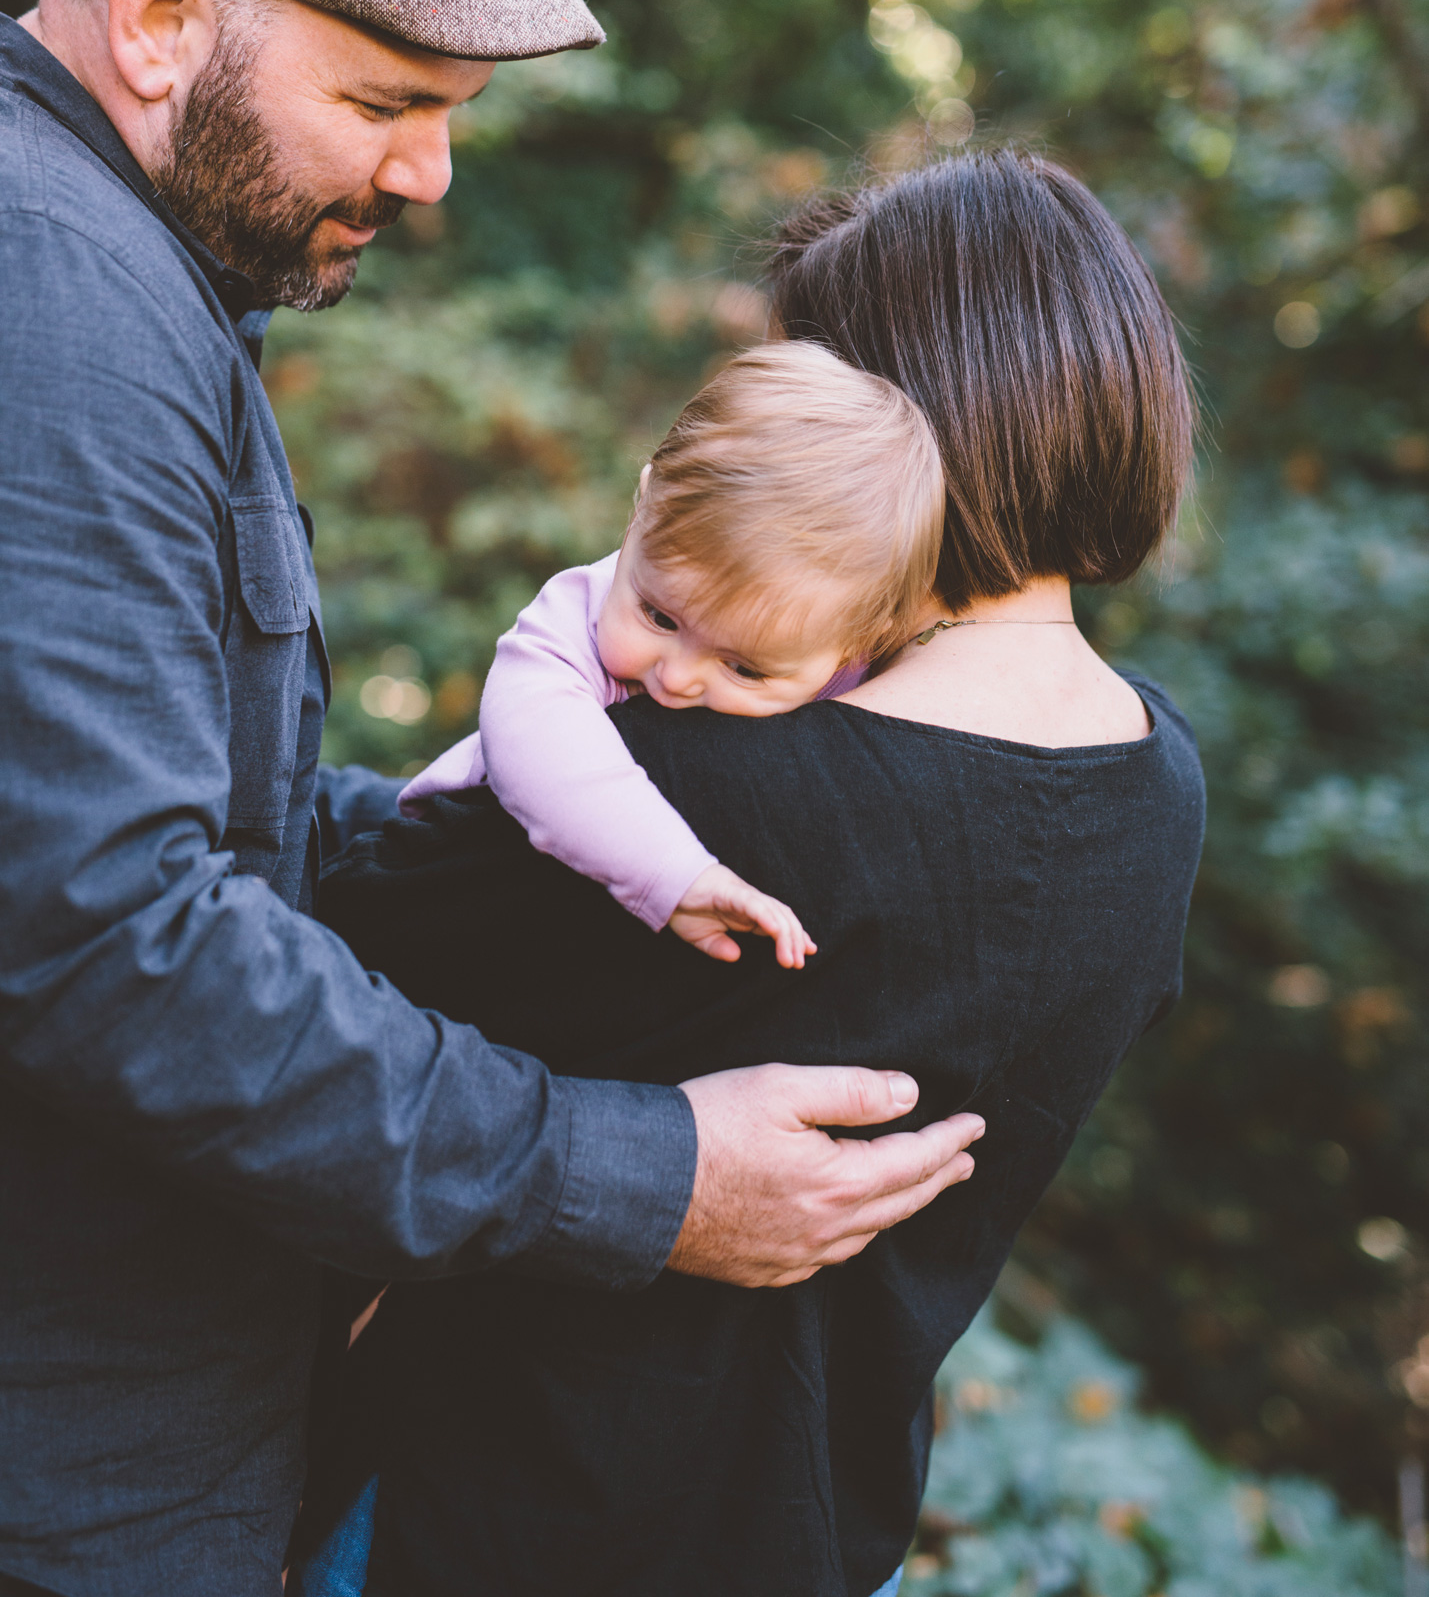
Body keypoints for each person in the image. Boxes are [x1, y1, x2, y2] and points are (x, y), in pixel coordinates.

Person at [0, 0, 982, 1597]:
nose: (435, 174)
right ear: (155, 21)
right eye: (384, 104)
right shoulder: (62, 308)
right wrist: (640, 1175)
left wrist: (515, 841)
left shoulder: (119, 271)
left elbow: (177, 830)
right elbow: (106, 937)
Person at [289, 148, 1207, 1597]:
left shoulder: (721, 784)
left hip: (515, 1517)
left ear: (882, 444)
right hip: (823, 1533)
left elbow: (334, 930)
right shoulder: (1155, 783)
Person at [404, 340, 946, 966]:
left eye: (743, 668)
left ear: (858, 646)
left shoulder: (860, 669)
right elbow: (541, 747)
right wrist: (672, 873)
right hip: (456, 874)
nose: (679, 677)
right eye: (659, 617)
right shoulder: (574, 615)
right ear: (640, 514)